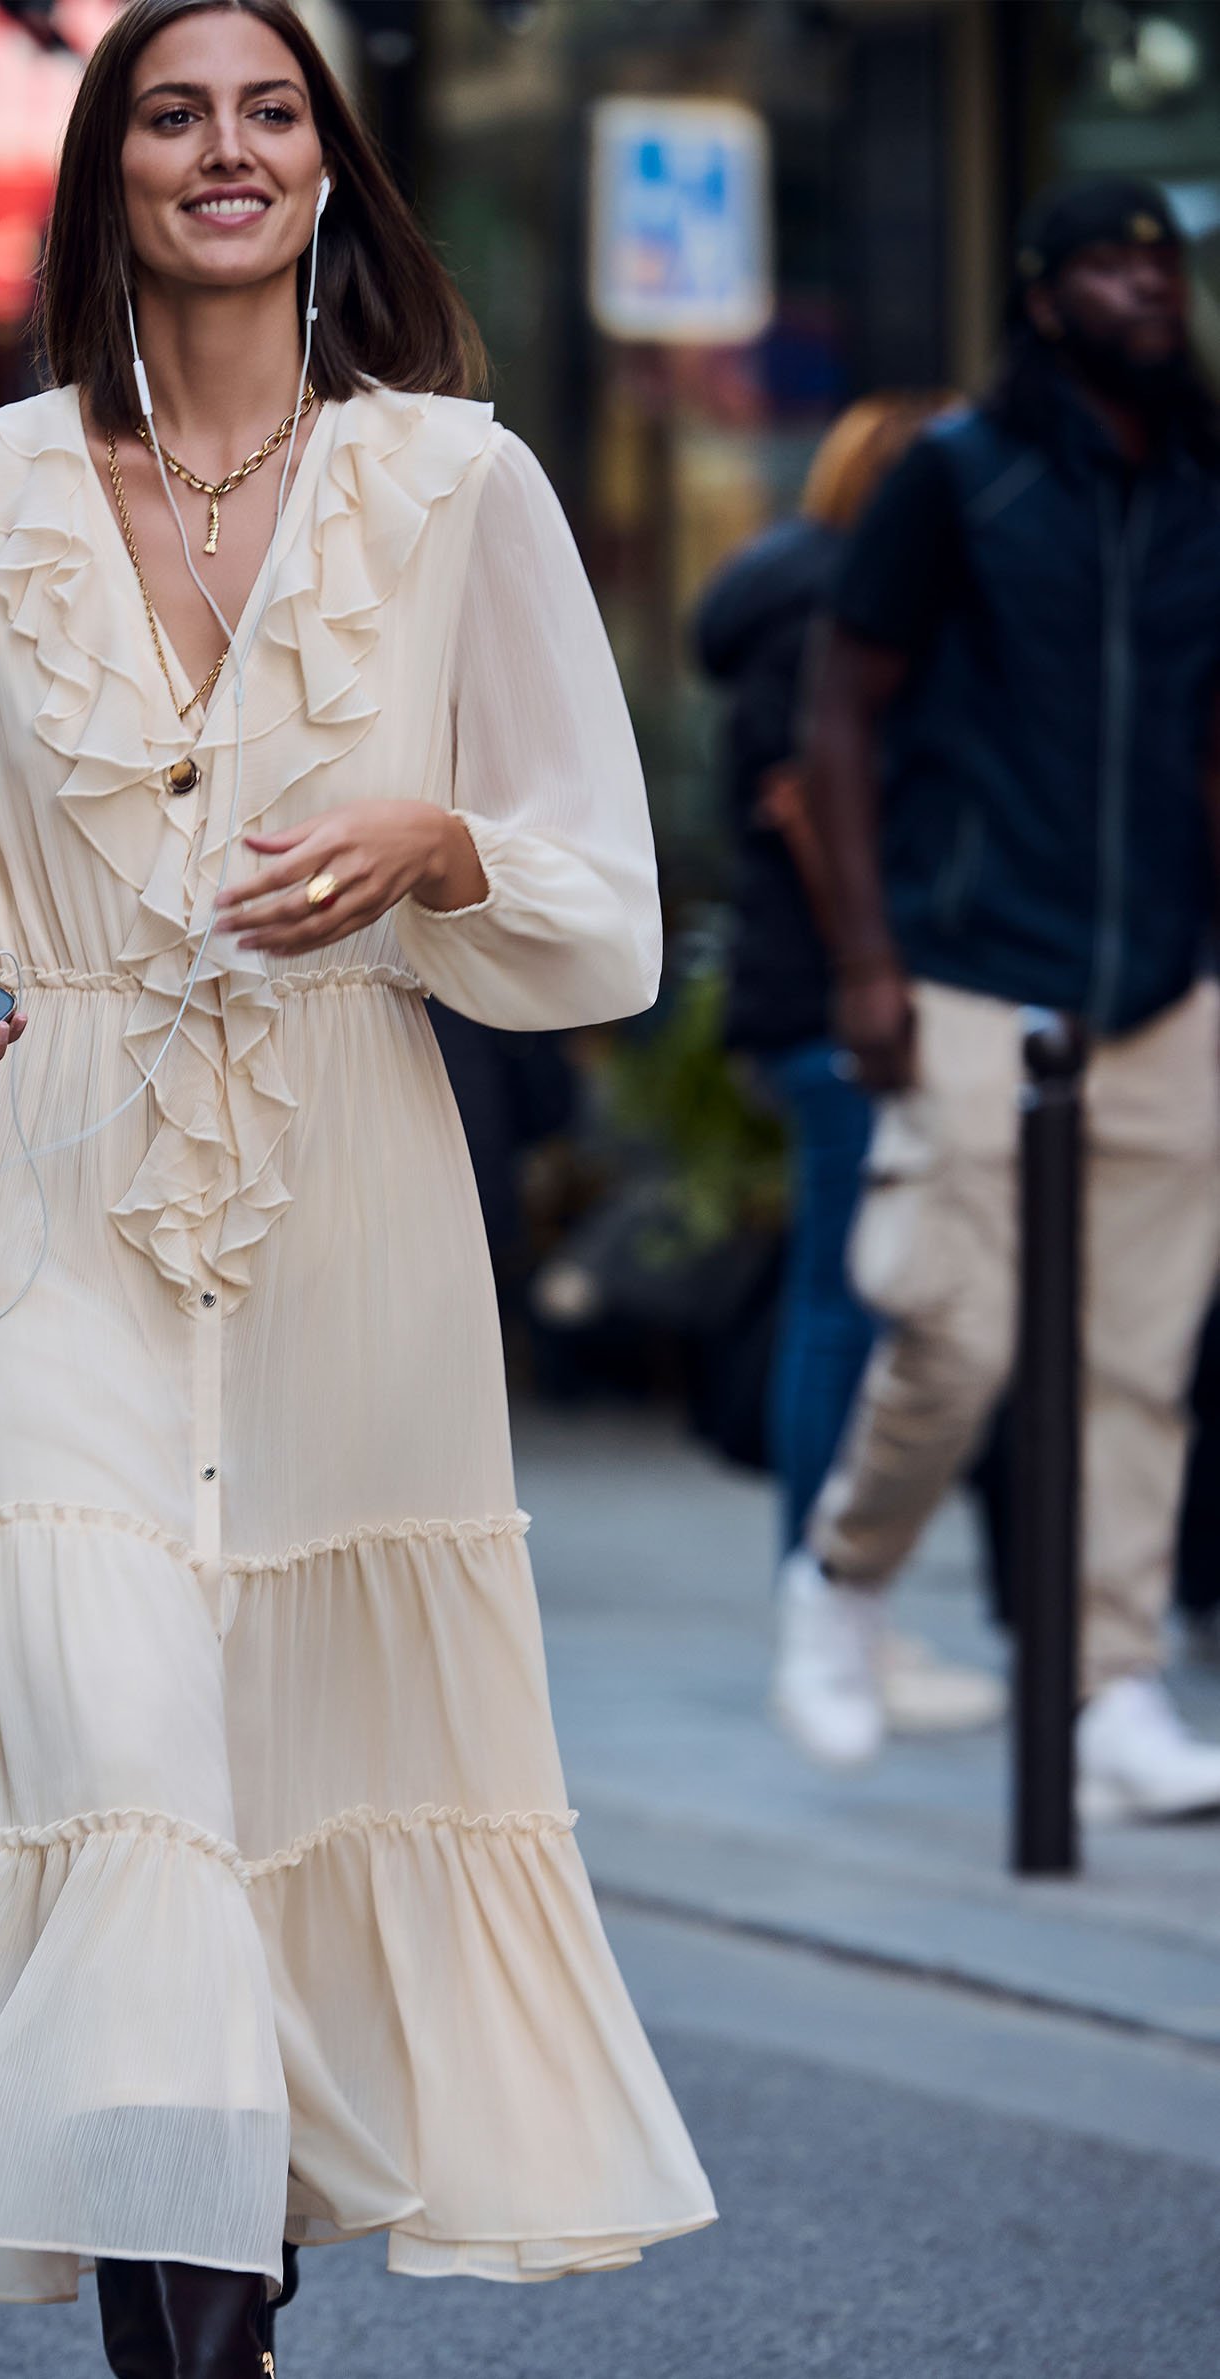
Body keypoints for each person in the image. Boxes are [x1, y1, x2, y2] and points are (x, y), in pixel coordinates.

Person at [0, 2, 713, 2367]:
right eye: (174, 113)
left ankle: (222, 2310)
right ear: (110, 175)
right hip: (46, 1210)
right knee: (130, 1779)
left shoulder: (463, 487)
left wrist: (441, 833)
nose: (225, 149)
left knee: (278, 1809)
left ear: (327, 171)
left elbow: (604, 904)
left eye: (270, 112)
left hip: (346, 1206)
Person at [779, 176, 1220, 1820]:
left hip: (1160, 978)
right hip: (969, 958)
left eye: (1159, 262)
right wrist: (866, 957)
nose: (1143, 287)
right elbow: (833, 709)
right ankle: (839, 1573)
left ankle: (1106, 1681)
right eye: (1107, 262)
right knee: (955, 1325)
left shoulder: (1194, 486)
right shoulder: (953, 478)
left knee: (1134, 1364)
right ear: (1041, 298)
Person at [696, 396, 1006, 1740]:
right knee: (848, 1296)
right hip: (836, 1005)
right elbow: (809, 803)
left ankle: (838, 1605)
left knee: (862, 1290)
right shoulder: (824, 609)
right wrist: (879, 972)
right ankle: (827, 1606)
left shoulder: (802, 602)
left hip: (822, 997)